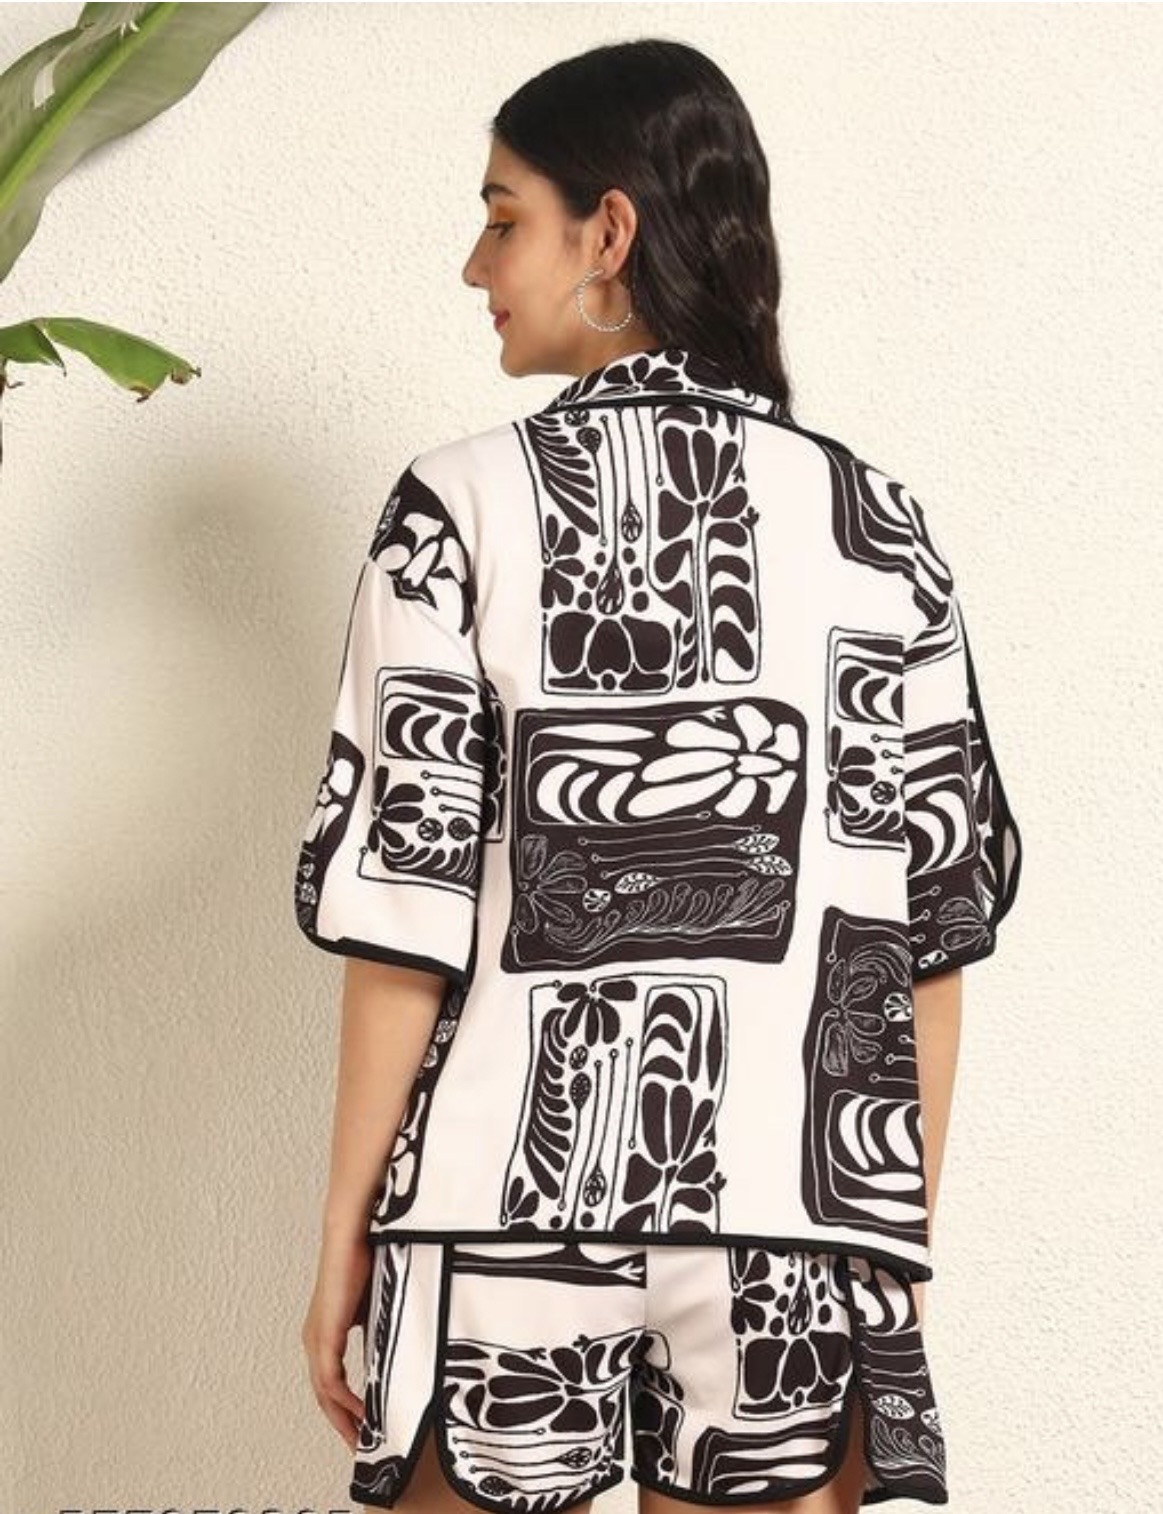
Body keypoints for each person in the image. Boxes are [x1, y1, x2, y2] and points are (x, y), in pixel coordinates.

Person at [296, 37, 1022, 1514]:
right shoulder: (877, 528)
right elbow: (927, 932)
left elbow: (406, 912)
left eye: (504, 218)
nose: (475, 264)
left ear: (607, 233)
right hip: (793, 1226)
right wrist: (885, 1246)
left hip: (500, 1207)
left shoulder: (456, 511)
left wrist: (345, 1237)